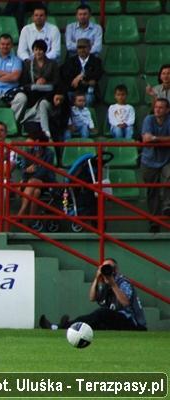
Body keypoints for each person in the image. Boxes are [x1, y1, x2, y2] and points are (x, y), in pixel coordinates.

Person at [39, 258, 147, 331]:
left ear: (116, 270)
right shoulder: (103, 282)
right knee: (90, 321)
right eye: (104, 267)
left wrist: (113, 285)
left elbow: (125, 302)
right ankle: (56, 327)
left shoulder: (122, 282)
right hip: (113, 320)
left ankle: (63, 326)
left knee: (101, 313)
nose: (107, 269)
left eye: (109, 267)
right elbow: (92, 297)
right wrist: (97, 277)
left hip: (133, 323)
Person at [140, 98, 170, 233]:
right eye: (156, 107)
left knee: (169, 178)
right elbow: (146, 138)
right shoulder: (148, 119)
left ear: (167, 110)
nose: (157, 109)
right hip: (149, 161)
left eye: (161, 107)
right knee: (152, 192)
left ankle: (167, 207)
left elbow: (151, 138)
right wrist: (162, 140)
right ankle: (154, 221)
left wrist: (155, 138)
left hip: (166, 159)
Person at [16, 130, 55, 231]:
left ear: (37, 141)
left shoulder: (49, 153)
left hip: (45, 181)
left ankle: (21, 212)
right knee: (36, 191)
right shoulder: (28, 152)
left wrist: (31, 174)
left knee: (32, 182)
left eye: (29, 139)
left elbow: (45, 172)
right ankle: (31, 220)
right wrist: (27, 171)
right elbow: (23, 171)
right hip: (31, 184)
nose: (27, 142)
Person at [60, 38, 102, 107]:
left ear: (90, 48)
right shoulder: (70, 61)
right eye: (79, 48)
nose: (82, 50)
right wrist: (86, 82)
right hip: (74, 91)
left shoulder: (96, 61)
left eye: (84, 47)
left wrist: (81, 76)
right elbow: (68, 77)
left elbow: (97, 74)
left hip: (89, 91)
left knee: (88, 98)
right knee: (66, 96)